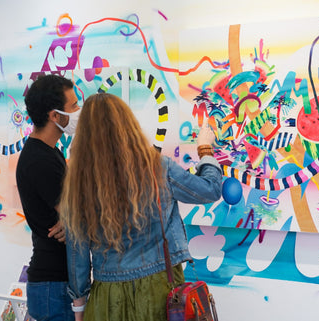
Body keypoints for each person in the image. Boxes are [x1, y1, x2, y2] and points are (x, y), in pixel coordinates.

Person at [59, 93, 222, 321]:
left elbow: (77, 255)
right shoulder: (158, 168)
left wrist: (79, 306)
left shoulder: (78, 183)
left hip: (108, 296)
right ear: (128, 124)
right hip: (160, 288)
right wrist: (205, 148)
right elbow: (210, 190)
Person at [16, 74, 81, 321]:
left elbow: (74, 214)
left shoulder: (50, 152)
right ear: (54, 116)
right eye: (73, 106)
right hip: (52, 286)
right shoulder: (40, 160)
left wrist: (74, 220)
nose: (78, 111)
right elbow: (77, 214)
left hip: (58, 280)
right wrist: (74, 220)